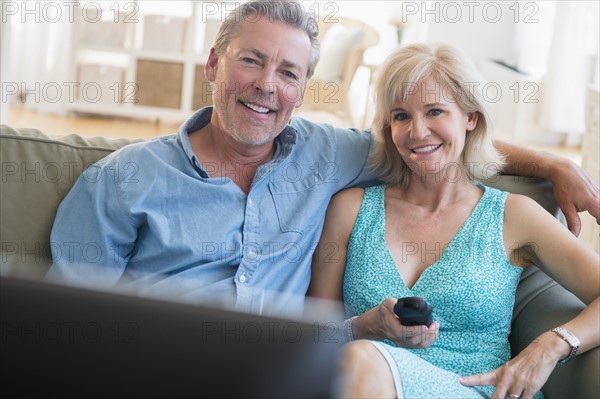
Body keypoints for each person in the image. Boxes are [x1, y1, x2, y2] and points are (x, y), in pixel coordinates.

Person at [47, 0, 599, 316]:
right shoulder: (121, 179)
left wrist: (553, 166)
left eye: (288, 72)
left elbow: (433, 141)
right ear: (214, 64)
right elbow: (64, 320)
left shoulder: (332, 154)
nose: (266, 85)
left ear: (303, 89)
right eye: (251, 61)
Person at [307, 42, 600, 398]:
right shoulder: (350, 209)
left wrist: (552, 345)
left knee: (364, 360)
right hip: (362, 380)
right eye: (401, 115)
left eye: (434, 111)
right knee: (362, 359)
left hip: (478, 391)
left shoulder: (514, 216)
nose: (417, 131)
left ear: (470, 117)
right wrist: (363, 327)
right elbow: (314, 334)